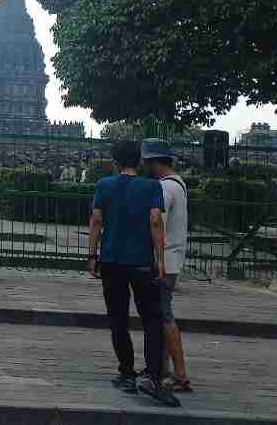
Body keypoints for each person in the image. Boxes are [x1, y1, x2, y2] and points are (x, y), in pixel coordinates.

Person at [86, 140, 179, 408]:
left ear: (115, 161)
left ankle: (126, 372)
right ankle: (152, 375)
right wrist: (160, 262)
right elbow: (155, 222)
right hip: (142, 262)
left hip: (112, 260)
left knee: (118, 319)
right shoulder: (152, 187)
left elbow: (96, 221)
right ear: (139, 162)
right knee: (151, 320)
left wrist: (92, 256)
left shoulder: (104, 185)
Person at [142, 138, 192, 394]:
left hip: (164, 262)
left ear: (153, 161)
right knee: (159, 315)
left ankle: (180, 373)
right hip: (172, 259)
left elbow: (156, 224)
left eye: (147, 161)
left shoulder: (164, 188)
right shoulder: (178, 183)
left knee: (163, 316)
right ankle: (161, 368)